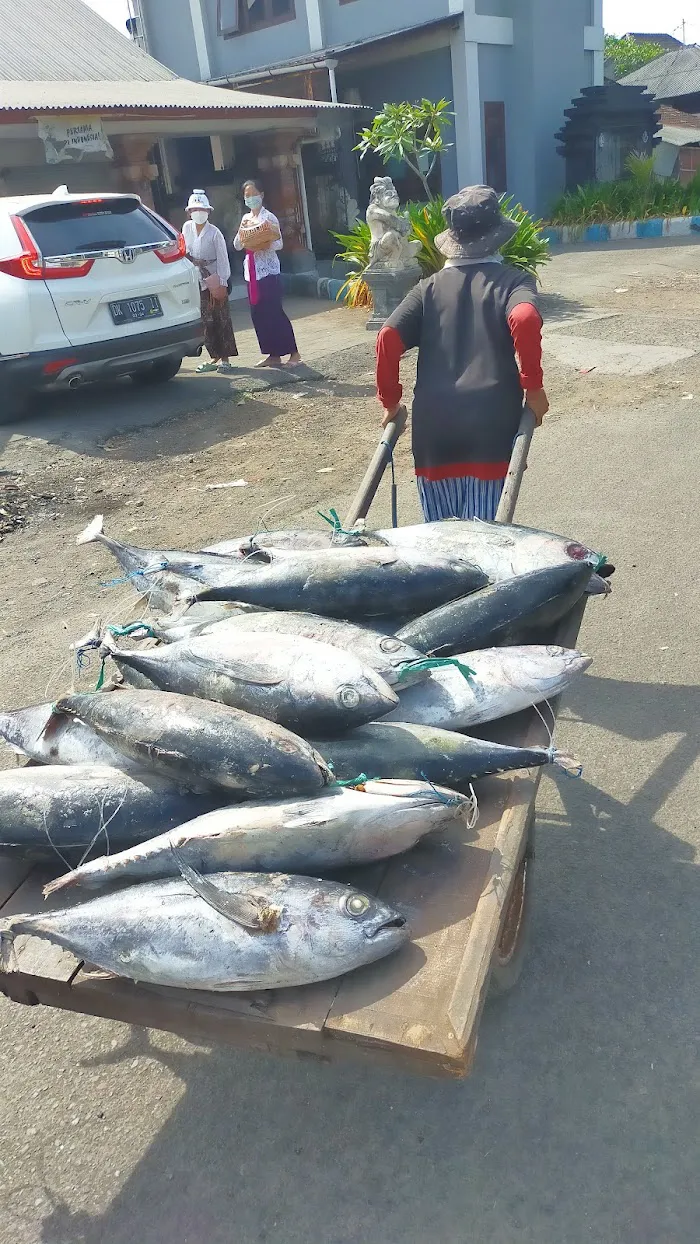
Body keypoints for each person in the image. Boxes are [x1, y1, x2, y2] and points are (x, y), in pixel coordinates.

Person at [375, 185, 549, 523]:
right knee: (482, 547)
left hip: (434, 432)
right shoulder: (513, 282)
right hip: (490, 429)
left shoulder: (427, 288)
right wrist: (534, 388)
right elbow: (524, 318)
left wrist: (391, 403)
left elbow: (387, 338)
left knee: (443, 550)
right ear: (497, 235)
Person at [233, 180, 301, 368]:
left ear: (261, 195)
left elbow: (278, 243)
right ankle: (273, 354)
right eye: (247, 195)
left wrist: (262, 243)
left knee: (274, 312)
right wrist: (244, 232)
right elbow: (237, 244)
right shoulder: (245, 218)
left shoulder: (269, 217)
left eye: (254, 194)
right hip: (252, 273)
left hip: (268, 271)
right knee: (259, 315)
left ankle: (294, 353)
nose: (251, 198)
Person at [182, 190, 238, 374]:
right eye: (195, 209)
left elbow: (223, 259)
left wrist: (222, 282)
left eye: (201, 209)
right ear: (189, 212)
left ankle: (225, 358)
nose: (198, 213)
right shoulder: (186, 228)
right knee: (205, 321)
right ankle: (213, 355)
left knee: (220, 318)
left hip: (214, 280)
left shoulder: (215, 233)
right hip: (195, 280)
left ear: (208, 211)